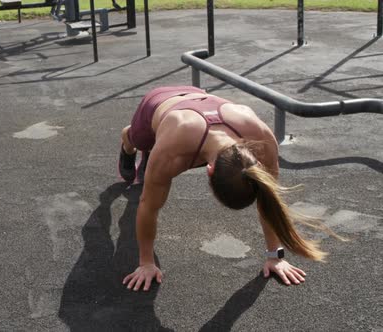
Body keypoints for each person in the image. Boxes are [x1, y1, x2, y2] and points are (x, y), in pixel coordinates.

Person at [118, 86, 336, 292]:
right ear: (209, 171)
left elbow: (269, 200)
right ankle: (128, 142)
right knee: (140, 142)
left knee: (154, 166)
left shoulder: (261, 139)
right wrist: (146, 262)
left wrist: (275, 256)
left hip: (198, 105)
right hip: (158, 103)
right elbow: (148, 205)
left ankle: (148, 157)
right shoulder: (173, 150)